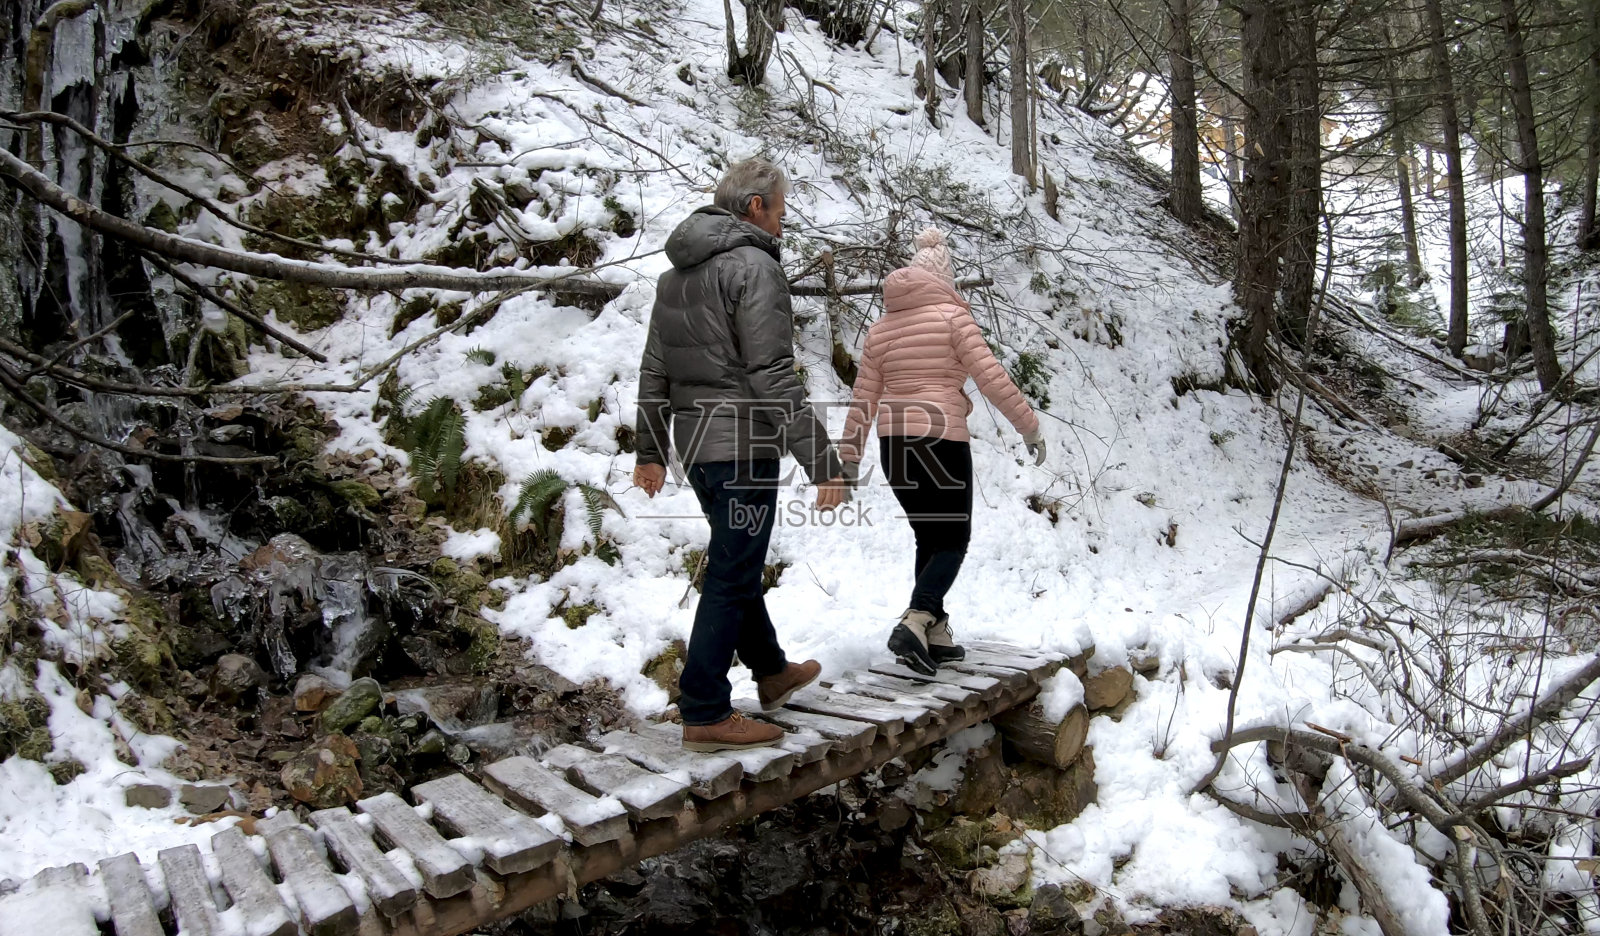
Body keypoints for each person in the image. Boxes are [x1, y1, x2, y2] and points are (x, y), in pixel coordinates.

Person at [633, 158, 848, 752]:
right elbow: (772, 372)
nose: (783, 223)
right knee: (733, 572)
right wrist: (823, 459)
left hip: (698, 449)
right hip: (743, 447)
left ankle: (773, 671)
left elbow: (655, 369)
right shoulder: (754, 267)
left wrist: (650, 450)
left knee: (737, 558)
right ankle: (704, 708)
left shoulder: (675, 276)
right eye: (780, 210)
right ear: (755, 206)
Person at [839, 228, 1046, 675]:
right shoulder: (953, 317)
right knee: (952, 540)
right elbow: (992, 379)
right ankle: (916, 619)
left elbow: (863, 397)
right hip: (941, 440)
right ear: (945, 279)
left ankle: (934, 629)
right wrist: (1028, 426)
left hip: (895, 445)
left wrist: (851, 455)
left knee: (929, 538)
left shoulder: (880, 329)